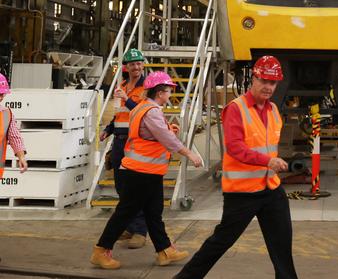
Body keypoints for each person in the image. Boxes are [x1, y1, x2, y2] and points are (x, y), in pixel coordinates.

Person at [174, 55, 298, 279]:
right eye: (264, 81)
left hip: (270, 188)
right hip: (243, 192)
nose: (268, 87)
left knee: (282, 243)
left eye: (273, 83)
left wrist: (271, 163)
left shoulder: (273, 111)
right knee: (221, 242)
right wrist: (268, 161)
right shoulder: (236, 109)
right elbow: (235, 148)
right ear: (254, 78)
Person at [91, 71, 203, 270]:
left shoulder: (143, 107)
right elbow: (165, 139)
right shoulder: (151, 111)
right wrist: (189, 154)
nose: (170, 95)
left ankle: (165, 250)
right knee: (126, 213)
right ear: (160, 93)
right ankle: (101, 250)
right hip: (139, 172)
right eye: (168, 91)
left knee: (153, 212)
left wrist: (170, 130)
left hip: (147, 172)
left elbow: (154, 134)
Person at [100, 48, 148, 248]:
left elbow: (142, 111)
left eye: (139, 63)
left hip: (135, 141)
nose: (136, 67)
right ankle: (130, 226)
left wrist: (126, 99)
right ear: (125, 67)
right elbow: (121, 114)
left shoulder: (147, 87)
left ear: (142, 65)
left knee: (135, 187)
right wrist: (109, 129)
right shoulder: (122, 85)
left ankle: (140, 231)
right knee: (121, 186)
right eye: (132, 64)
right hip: (119, 141)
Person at [0, 73, 28, 264]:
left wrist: (21, 156)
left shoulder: (7, 113)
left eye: (2, 94)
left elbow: (14, 136)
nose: (1, 97)